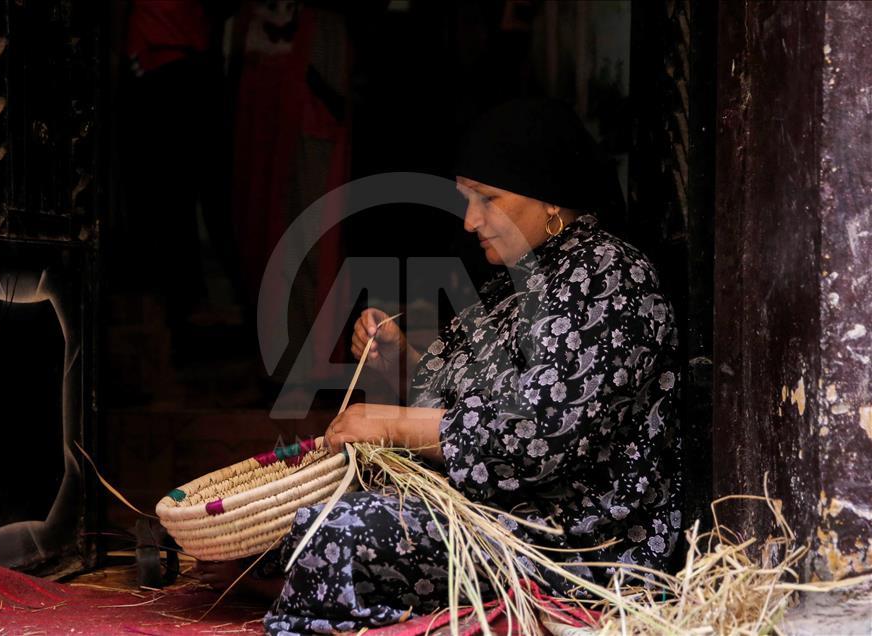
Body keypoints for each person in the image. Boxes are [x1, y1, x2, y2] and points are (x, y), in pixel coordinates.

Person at [206, 99, 684, 634]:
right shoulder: (515, 284)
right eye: (466, 199)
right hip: (496, 514)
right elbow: (458, 400)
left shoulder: (610, 280)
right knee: (289, 528)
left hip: (574, 543)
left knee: (338, 532)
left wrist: (392, 425)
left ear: (550, 197)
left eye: (488, 199)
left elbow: (540, 438)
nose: (470, 220)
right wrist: (400, 361)